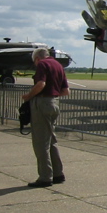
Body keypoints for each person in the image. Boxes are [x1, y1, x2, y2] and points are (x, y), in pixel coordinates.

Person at [22, 48, 70, 187]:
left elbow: (41, 84)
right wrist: (52, 97)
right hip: (54, 103)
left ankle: (45, 177)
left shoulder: (43, 64)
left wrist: (28, 96)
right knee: (51, 140)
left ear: (37, 59)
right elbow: (66, 91)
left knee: (40, 142)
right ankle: (58, 174)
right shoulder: (58, 65)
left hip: (42, 103)